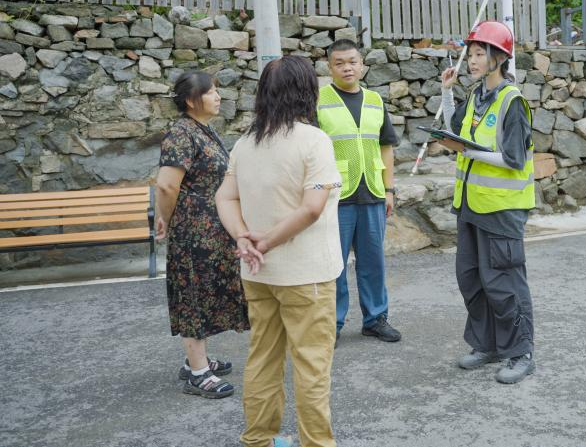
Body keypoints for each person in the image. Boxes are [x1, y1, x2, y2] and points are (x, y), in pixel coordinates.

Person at [216, 56, 343, 447]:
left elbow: (225, 196)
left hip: (257, 273)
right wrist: (266, 241)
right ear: (308, 92)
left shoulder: (246, 142)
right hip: (307, 275)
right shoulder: (313, 140)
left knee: (262, 359)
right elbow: (311, 208)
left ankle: (258, 440)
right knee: (311, 368)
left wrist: (243, 238)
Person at [438, 20, 536, 384]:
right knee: (473, 278)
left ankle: (521, 351)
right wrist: (447, 93)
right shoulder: (477, 97)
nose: (473, 60)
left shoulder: (513, 101)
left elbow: (511, 158)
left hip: (501, 209)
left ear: (499, 58)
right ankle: (487, 344)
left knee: (505, 283)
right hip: (470, 205)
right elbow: (455, 131)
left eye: (480, 54)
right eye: (472, 53)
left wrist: (470, 152)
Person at [155, 70, 249, 399]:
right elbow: (166, 184)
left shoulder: (202, 130)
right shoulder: (181, 132)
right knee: (193, 296)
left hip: (210, 230)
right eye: (211, 92)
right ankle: (197, 374)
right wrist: (166, 220)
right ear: (193, 101)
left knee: (207, 293)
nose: (218, 97)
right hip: (193, 232)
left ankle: (199, 359)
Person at [316, 39, 402, 345]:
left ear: (362, 64)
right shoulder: (319, 101)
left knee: (373, 261)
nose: (347, 67)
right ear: (330, 68)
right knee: (333, 265)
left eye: (352, 61)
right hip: (335, 197)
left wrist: (389, 189)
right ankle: (332, 324)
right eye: (339, 63)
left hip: (372, 193)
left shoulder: (375, 101)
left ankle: (376, 319)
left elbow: (386, 147)